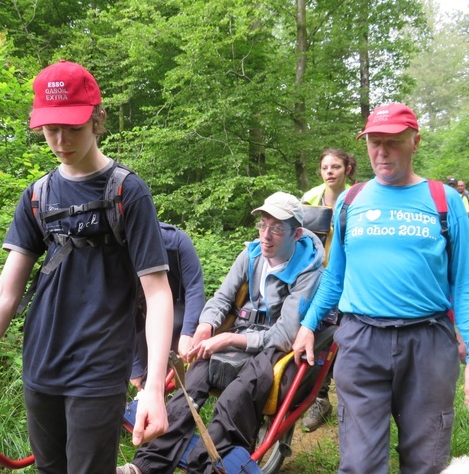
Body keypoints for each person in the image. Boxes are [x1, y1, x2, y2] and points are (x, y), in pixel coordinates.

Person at [0, 60, 174, 474]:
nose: (60, 140)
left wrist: (153, 388)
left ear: (97, 120)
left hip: (100, 368)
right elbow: (4, 297)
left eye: (73, 127)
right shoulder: (37, 196)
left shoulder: (127, 192)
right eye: (50, 128)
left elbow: (158, 292)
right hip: (40, 364)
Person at [292, 102, 469, 473]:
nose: (381, 152)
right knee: (359, 463)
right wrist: (308, 324)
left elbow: (467, 284)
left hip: (429, 344)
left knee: (425, 461)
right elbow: (334, 276)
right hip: (361, 340)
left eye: (393, 142)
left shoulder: (444, 200)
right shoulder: (350, 202)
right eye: (374, 143)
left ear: (415, 142)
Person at [119, 192, 325, 474]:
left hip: (273, 348)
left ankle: (206, 466)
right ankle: (145, 466)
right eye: (263, 225)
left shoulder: (308, 271)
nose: (266, 235)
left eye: (276, 228)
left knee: (235, 397)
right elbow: (222, 298)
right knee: (190, 387)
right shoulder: (251, 254)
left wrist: (227, 338)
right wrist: (207, 324)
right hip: (240, 330)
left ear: (297, 233)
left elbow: (285, 335)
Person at [299, 147, 356, 432]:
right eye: (325, 167)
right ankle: (319, 398)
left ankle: (349, 395)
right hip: (315, 278)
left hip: (348, 279)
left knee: (344, 339)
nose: (330, 172)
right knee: (319, 337)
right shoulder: (309, 198)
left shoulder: (359, 199)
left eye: (336, 166)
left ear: (347, 169)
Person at [131, 222, 206, 389]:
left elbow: (195, 289)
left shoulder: (178, 243)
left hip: (180, 311)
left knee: (175, 323)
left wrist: (188, 332)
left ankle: (179, 393)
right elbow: (123, 310)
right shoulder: (125, 251)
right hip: (143, 315)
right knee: (145, 377)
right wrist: (134, 367)